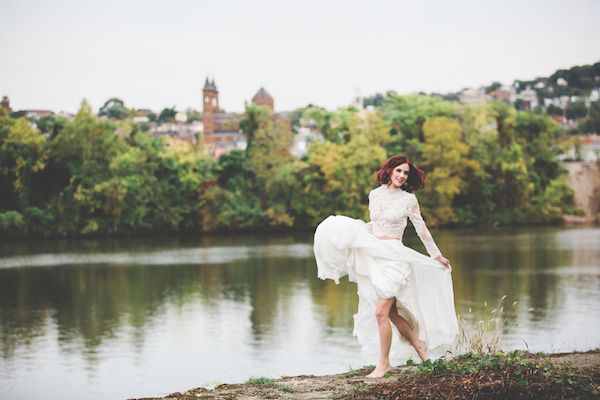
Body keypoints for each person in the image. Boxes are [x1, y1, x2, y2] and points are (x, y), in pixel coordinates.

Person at [313, 154, 459, 378]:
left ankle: (383, 364)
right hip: (375, 257)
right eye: (398, 170)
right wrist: (357, 236)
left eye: (406, 173)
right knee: (391, 314)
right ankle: (419, 346)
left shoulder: (408, 200)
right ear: (389, 171)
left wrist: (436, 255)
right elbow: (376, 224)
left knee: (380, 312)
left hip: (395, 259)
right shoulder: (374, 194)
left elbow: (421, 230)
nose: (402, 175)